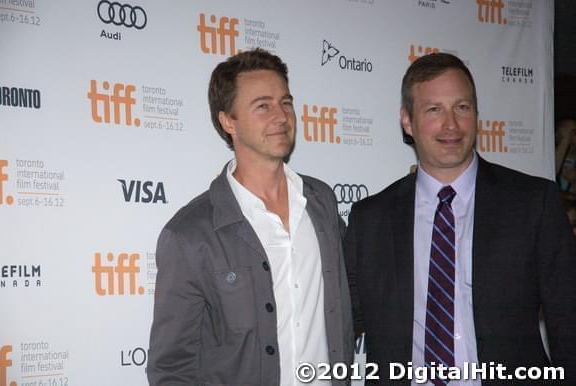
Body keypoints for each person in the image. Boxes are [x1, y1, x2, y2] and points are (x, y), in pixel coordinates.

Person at [344, 53, 576, 385]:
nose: (451, 124)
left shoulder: (532, 203)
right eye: (434, 109)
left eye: (462, 107)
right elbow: (338, 322)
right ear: (407, 121)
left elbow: (568, 322)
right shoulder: (370, 220)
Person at [147, 48, 353, 386]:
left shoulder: (321, 203)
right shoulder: (190, 234)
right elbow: (172, 367)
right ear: (228, 121)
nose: (281, 116)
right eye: (263, 106)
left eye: (286, 103)